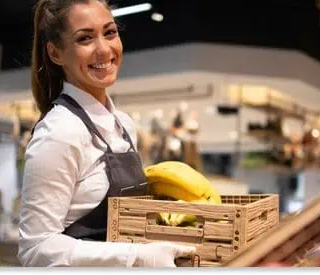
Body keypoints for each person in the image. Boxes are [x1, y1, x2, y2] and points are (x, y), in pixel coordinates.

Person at [18, 0, 196, 267]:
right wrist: (135, 256)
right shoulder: (59, 132)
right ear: (56, 54)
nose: (104, 49)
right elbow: (35, 249)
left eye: (109, 32)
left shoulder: (124, 125)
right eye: (85, 38)